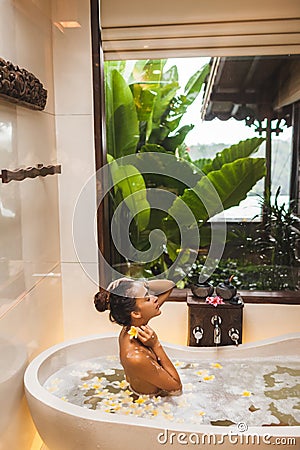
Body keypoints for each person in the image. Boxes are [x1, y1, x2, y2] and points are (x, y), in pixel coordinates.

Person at [94, 278, 182, 396]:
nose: (155, 298)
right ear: (135, 313)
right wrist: (156, 345)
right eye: (147, 298)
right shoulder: (136, 357)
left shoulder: (132, 325)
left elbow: (169, 285)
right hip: (149, 405)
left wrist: (139, 284)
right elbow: (177, 388)